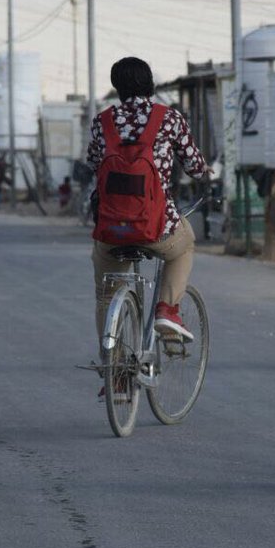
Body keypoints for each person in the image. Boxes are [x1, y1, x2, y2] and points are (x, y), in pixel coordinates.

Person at [88, 56, 211, 362]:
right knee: (185, 244)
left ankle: (113, 369)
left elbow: (93, 163)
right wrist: (208, 177)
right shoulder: (169, 118)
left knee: (107, 292)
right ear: (150, 84)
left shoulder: (102, 122)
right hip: (157, 226)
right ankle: (167, 310)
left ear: (117, 87)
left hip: (112, 228)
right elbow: (195, 166)